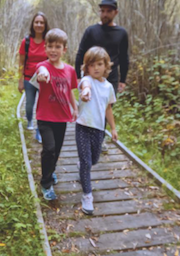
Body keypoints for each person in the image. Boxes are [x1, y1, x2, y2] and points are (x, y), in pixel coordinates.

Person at [75, 0, 129, 152]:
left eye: (109, 11)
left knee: (105, 108)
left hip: (111, 77)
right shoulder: (91, 31)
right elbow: (80, 52)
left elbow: (124, 57)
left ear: (115, 13)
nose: (105, 14)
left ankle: (99, 138)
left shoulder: (121, 33)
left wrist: (123, 80)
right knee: (90, 105)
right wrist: (77, 76)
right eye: (103, 11)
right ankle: (85, 137)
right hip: (90, 77)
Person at [33, 28, 78, 200]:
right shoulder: (43, 66)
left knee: (57, 150)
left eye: (57, 47)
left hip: (61, 117)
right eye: (50, 46)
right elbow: (41, 72)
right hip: (44, 116)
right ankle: (46, 183)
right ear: (45, 48)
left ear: (64, 49)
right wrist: (43, 75)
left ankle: (51, 171)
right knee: (49, 149)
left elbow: (70, 92)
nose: (53, 50)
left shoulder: (69, 70)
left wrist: (74, 108)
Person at [75, 46, 118, 215]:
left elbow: (108, 109)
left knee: (93, 159)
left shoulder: (108, 87)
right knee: (86, 163)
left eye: (100, 64)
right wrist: (85, 91)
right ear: (87, 67)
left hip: (99, 129)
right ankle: (87, 195)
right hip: (83, 126)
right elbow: (85, 86)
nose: (96, 68)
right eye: (92, 65)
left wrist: (113, 128)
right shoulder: (87, 80)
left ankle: (82, 166)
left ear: (106, 66)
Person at [18, 12, 49, 143]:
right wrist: (20, 80)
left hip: (44, 79)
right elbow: (21, 62)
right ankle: (30, 119)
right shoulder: (26, 42)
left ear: (45, 25)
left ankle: (39, 131)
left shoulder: (48, 42)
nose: (39, 25)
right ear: (33, 24)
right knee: (29, 105)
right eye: (37, 22)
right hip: (29, 78)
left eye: (42, 22)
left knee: (43, 107)